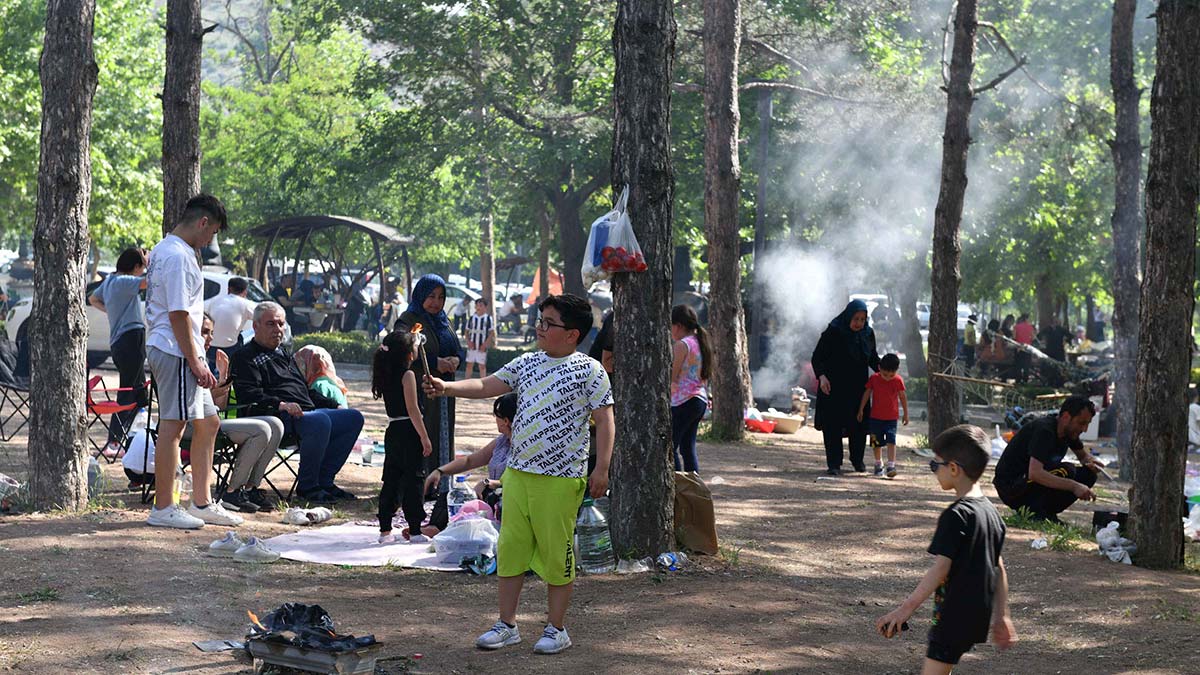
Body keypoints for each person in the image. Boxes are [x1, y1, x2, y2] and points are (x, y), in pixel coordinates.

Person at [424, 293, 614, 656]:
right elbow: (486, 385)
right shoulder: (527, 363)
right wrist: (446, 386)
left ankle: (556, 629)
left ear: (572, 334)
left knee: (557, 556)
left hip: (560, 481)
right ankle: (506, 624)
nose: (539, 328)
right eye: (539, 321)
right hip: (519, 475)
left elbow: (605, 420)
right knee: (510, 552)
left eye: (548, 323)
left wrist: (601, 468)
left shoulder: (590, 370)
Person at [877, 424, 1015, 674]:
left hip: (952, 617)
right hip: (975, 617)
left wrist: (904, 610)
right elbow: (1000, 568)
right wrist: (1001, 616)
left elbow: (941, 568)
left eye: (934, 465)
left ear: (953, 469)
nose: (934, 471)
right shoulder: (992, 514)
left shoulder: (956, 516)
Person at [144, 194, 243, 529]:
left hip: (180, 350)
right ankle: (163, 507)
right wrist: (195, 360)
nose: (210, 240)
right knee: (173, 426)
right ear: (203, 223)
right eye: (212, 232)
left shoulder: (166, 250)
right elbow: (178, 314)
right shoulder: (177, 256)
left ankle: (201, 502)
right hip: (175, 350)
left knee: (209, 423)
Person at [230, 302, 365, 505]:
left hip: (305, 413)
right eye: (271, 324)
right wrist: (281, 404)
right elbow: (249, 394)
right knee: (319, 420)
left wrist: (333, 404)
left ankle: (325, 481)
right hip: (272, 416)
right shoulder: (245, 356)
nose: (278, 330)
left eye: (281, 324)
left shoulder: (283, 353)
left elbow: (305, 391)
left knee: (353, 417)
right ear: (256, 326)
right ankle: (308, 486)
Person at [196, 315, 284, 513]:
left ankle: (251, 488)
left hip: (213, 421)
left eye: (210, 333)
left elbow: (219, 405)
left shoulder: (206, 362)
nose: (209, 338)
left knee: (276, 424)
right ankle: (232, 491)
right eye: (204, 332)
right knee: (261, 429)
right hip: (193, 424)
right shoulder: (189, 361)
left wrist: (223, 378)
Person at [395, 274, 462, 483]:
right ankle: (419, 482)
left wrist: (456, 360)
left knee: (442, 432)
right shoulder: (408, 320)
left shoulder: (444, 321)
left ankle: (439, 480)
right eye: (431, 296)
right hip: (419, 388)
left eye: (441, 297)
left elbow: (457, 349)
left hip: (444, 389)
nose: (436, 302)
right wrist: (435, 363)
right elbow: (400, 349)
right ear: (420, 295)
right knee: (423, 433)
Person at [992, 395, 1099, 523]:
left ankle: (1047, 513)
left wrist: (1091, 462)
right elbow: (1035, 473)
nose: (1084, 429)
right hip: (1011, 486)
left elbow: (1083, 456)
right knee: (1067, 470)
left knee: (1088, 475)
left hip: (1029, 482)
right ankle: (1034, 512)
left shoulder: (1069, 432)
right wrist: (1074, 486)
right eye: (1081, 423)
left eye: (1087, 424)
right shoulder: (1045, 431)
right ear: (1066, 417)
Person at [423, 392, 518, 533]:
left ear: (505, 420)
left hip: (509, 499)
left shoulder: (525, 445)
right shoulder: (502, 441)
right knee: (451, 495)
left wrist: (488, 483)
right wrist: (440, 471)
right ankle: (436, 528)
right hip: (489, 494)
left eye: (496, 416)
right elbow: (470, 460)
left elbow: (519, 479)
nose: (495, 420)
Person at [372, 330, 433, 544]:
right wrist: (424, 437)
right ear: (408, 354)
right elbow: (413, 409)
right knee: (414, 479)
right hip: (409, 430)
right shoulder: (407, 375)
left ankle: (385, 530)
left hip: (393, 430)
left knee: (391, 479)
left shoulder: (386, 372)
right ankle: (415, 530)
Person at [88, 247, 148, 458]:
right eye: (141, 266)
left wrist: (112, 312)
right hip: (131, 338)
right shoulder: (125, 281)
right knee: (129, 391)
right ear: (135, 267)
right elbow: (147, 282)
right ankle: (114, 440)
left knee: (139, 390)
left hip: (120, 341)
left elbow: (93, 299)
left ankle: (135, 437)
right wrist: (150, 261)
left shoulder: (110, 281)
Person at [811, 300, 880, 475]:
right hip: (834, 388)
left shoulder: (867, 334)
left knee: (859, 424)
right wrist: (822, 377)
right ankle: (834, 463)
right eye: (856, 318)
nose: (859, 323)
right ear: (848, 316)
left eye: (862, 319)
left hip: (859, 388)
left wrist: (886, 373)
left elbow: (872, 358)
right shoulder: (834, 331)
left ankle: (857, 460)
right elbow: (817, 357)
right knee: (832, 425)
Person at [670, 305, 710, 473]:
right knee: (687, 447)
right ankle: (693, 488)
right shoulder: (701, 342)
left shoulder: (682, 345)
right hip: (699, 400)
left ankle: (678, 487)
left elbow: (673, 375)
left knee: (669, 448)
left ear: (678, 326)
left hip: (683, 401)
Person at [857, 352, 908, 478]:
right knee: (876, 442)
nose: (888, 378)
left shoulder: (898, 380)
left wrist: (905, 414)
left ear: (896, 371)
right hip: (875, 417)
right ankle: (878, 464)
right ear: (879, 367)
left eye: (892, 375)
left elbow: (902, 397)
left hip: (891, 418)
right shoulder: (874, 378)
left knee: (891, 440)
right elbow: (867, 393)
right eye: (885, 374)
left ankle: (891, 465)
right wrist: (861, 409)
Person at [207, 277, 256, 359]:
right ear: (245, 292)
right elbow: (261, 318)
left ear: (228, 289)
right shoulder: (246, 304)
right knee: (249, 333)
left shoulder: (214, 301)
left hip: (210, 346)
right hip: (230, 348)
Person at [464, 298, 496, 379]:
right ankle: (466, 382)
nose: (478, 307)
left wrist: (485, 344)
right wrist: (468, 342)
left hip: (482, 346)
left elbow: (491, 333)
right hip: (472, 345)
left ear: (485, 307)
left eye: (481, 305)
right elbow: (466, 331)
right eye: (477, 305)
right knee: (469, 365)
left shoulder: (488, 318)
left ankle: (483, 382)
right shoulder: (471, 318)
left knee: (482, 366)